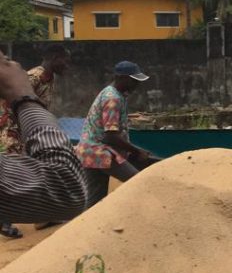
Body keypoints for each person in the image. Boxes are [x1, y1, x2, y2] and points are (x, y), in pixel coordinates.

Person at [0, 50, 87, 237]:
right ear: (54, 58)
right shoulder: (32, 76)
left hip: (29, 129)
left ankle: (43, 217)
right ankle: (5, 223)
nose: (67, 65)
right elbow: (11, 99)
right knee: (17, 176)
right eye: (65, 60)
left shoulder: (49, 78)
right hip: (16, 130)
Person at [77, 61, 159, 208]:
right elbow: (110, 136)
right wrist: (136, 150)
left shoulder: (113, 93)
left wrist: (131, 151)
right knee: (138, 180)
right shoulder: (112, 99)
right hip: (100, 151)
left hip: (89, 150)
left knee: (95, 202)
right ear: (122, 78)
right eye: (134, 81)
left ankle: (85, 228)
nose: (137, 85)